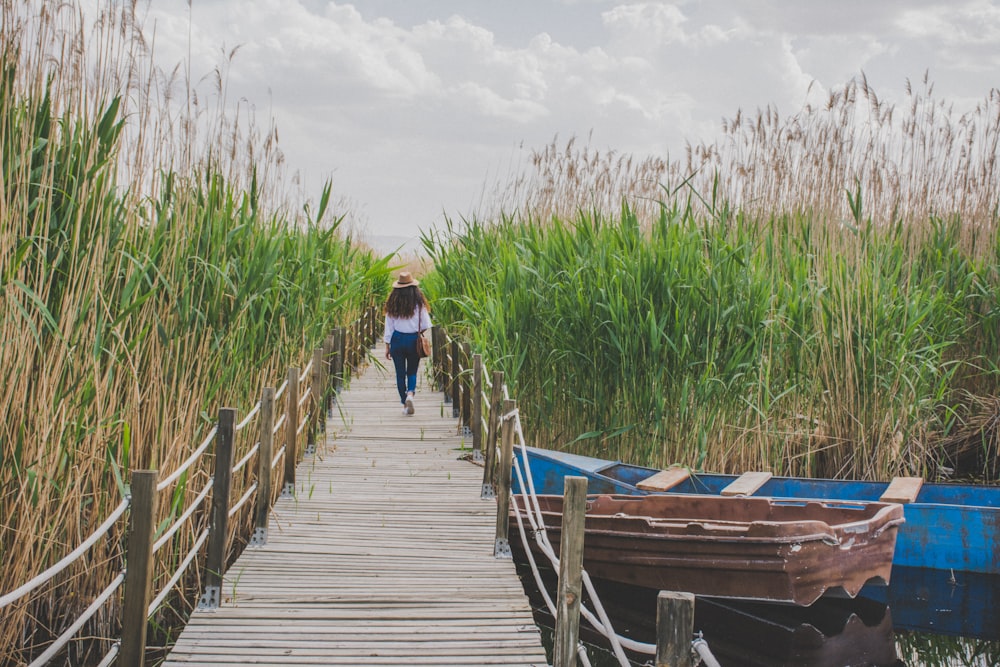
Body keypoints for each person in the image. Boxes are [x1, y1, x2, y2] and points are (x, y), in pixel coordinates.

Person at [383, 271, 432, 416]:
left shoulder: (392, 304)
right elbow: (426, 324)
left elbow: (389, 327)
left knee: (400, 373)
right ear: (413, 288)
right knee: (412, 370)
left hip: (397, 339)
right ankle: (410, 394)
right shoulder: (419, 304)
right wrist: (417, 330)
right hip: (413, 340)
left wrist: (387, 346)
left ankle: (405, 403)